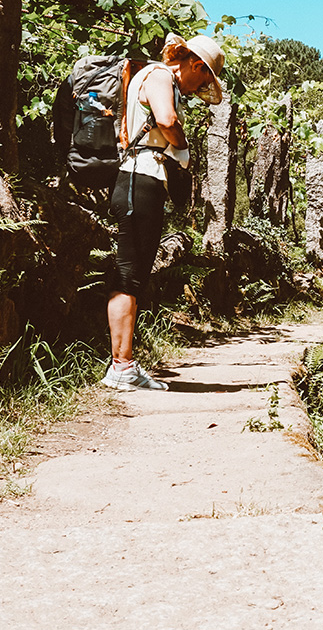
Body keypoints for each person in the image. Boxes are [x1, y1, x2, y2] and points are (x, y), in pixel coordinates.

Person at [101, 33, 225, 390]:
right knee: (128, 274)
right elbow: (167, 121)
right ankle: (121, 366)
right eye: (202, 79)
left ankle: (124, 364)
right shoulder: (158, 76)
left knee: (134, 274)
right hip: (140, 179)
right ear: (196, 65)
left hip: (144, 181)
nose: (197, 88)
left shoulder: (158, 77)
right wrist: (183, 146)